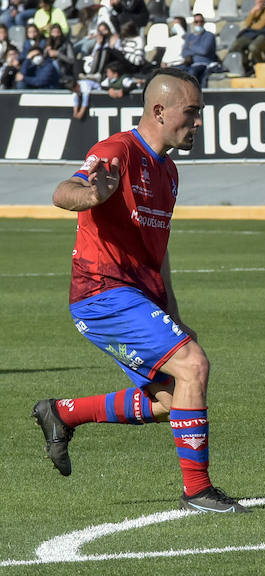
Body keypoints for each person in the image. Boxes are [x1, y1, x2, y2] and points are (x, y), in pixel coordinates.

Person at [31, 69, 243, 514]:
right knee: (194, 366)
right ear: (160, 110)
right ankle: (198, 491)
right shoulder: (116, 151)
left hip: (139, 295)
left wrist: (173, 311)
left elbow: (157, 252)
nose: (199, 123)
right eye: (193, 112)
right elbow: (62, 190)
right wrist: (91, 196)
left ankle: (63, 413)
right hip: (102, 292)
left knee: (173, 398)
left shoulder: (169, 172)